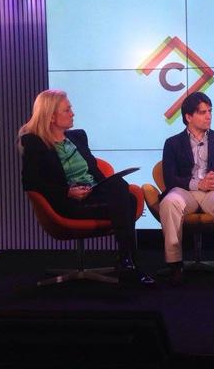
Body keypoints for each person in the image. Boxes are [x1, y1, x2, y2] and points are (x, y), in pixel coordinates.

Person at [18, 89, 154, 285]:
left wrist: (105, 186)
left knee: (119, 186)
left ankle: (127, 262)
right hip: (68, 201)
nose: (72, 113)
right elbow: (31, 183)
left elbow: (95, 170)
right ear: (51, 116)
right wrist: (67, 192)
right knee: (128, 202)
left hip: (93, 193)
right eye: (67, 110)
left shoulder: (78, 137)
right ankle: (128, 263)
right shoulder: (34, 143)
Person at [159, 92, 214, 285]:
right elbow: (170, 179)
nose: (209, 116)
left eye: (210, 111)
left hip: (213, 192)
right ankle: (175, 265)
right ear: (188, 117)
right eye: (203, 112)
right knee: (169, 202)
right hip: (185, 191)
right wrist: (197, 184)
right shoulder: (172, 143)